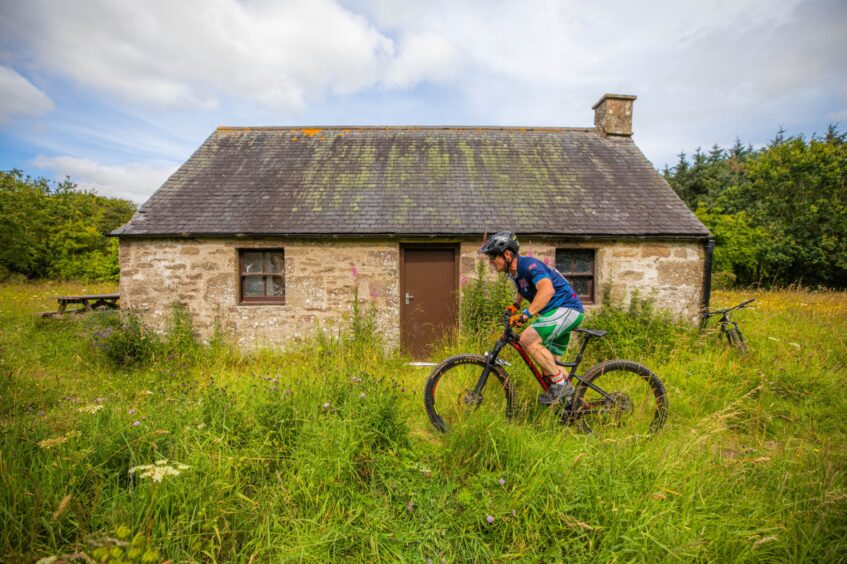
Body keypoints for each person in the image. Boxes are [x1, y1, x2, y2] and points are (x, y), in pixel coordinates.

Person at [479, 231, 584, 405]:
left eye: (493, 257)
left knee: (527, 339)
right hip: (558, 313)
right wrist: (516, 306)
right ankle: (576, 406)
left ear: (507, 254)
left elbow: (547, 290)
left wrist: (526, 314)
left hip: (567, 308)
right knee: (550, 368)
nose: (490, 262)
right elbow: (524, 287)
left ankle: (561, 386)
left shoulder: (529, 265)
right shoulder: (514, 273)